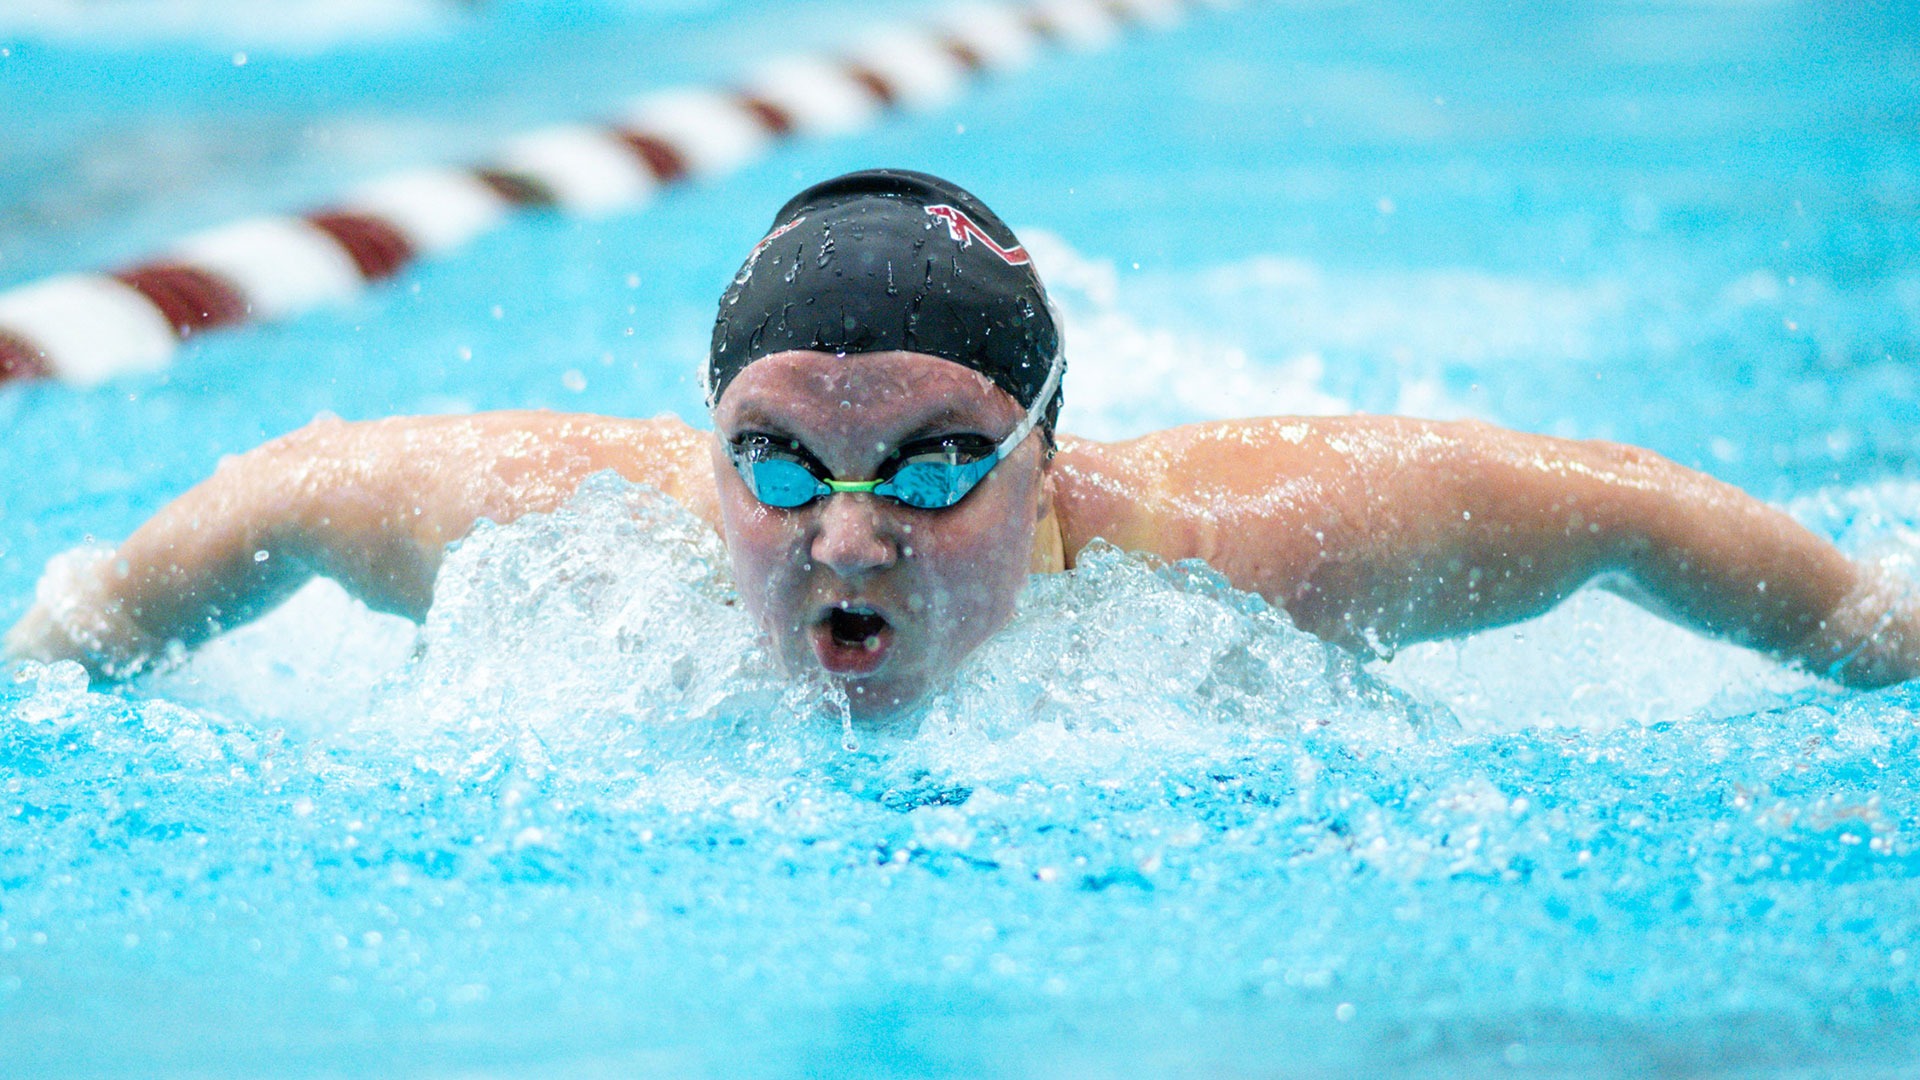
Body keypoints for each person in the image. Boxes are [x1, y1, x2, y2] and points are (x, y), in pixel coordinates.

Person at [6, 169, 1918, 717]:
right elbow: (227, 524)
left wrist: (1874, 630)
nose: (849, 534)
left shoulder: (1254, 547)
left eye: (935, 462)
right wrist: (54, 652)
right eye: (775, 460)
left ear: (1054, 465)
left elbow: (1628, 520)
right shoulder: (560, 534)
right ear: (706, 448)